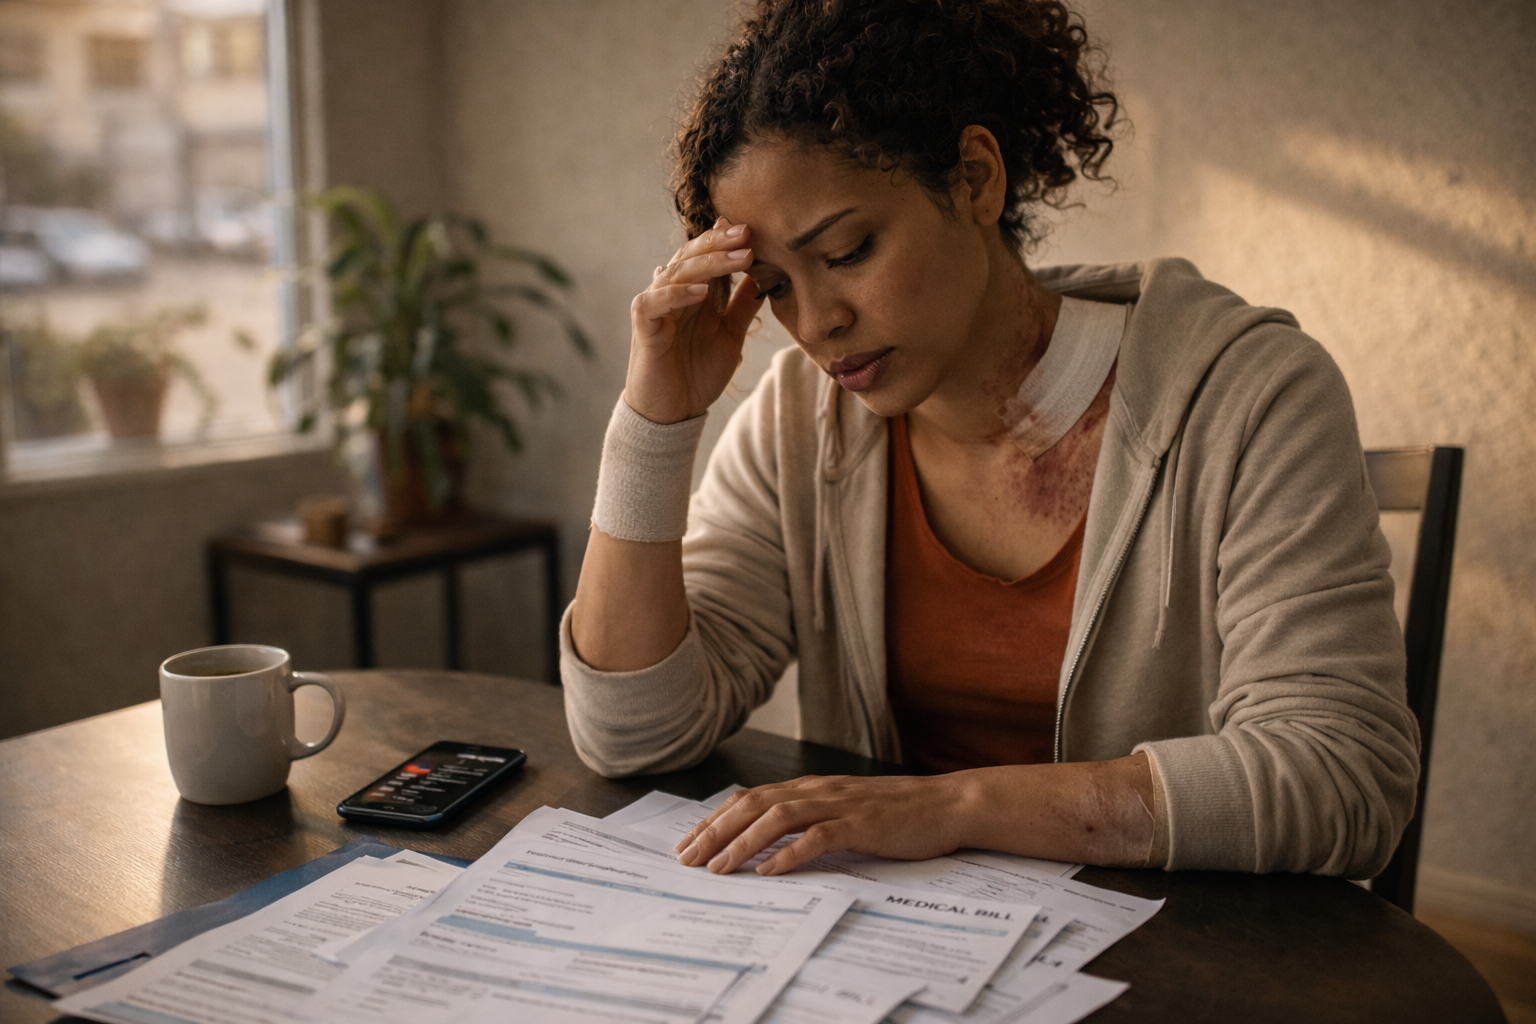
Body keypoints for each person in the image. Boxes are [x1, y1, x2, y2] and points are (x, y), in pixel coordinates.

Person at [563, 0, 1419, 880]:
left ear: (975, 180)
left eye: (850, 250)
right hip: (900, 954)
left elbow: (1343, 774)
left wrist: (955, 805)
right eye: (776, 286)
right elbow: (633, 734)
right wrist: (653, 426)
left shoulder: (1247, 398)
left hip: (1178, 956)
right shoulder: (796, 425)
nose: (816, 323)